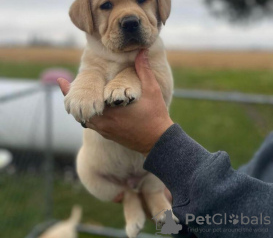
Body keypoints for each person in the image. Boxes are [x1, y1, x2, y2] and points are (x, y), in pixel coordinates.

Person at [58, 50, 273, 237]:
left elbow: (241, 216)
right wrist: (167, 201)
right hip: (190, 217)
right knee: (167, 222)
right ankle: (138, 202)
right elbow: (242, 189)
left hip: (195, 211)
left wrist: (157, 144)